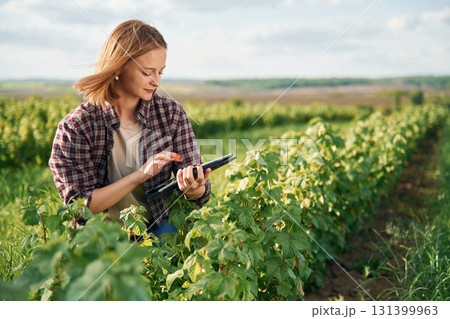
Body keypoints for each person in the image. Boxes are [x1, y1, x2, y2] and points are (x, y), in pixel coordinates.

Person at [49, 19, 211, 236]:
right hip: (100, 238)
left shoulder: (171, 114)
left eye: (160, 72)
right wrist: (139, 175)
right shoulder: (76, 127)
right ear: (119, 67)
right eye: (147, 72)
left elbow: (198, 192)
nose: (157, 82)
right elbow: (79, 209)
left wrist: (194, 189)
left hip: (158, 230)